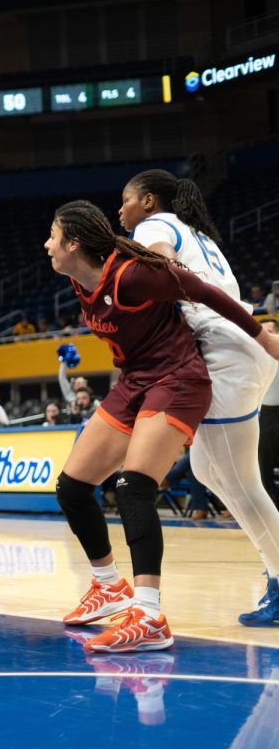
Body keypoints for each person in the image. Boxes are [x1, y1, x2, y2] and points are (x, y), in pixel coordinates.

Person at [44, 200, 279, 652]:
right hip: (135, 381)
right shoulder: (78, 278)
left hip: (178, 378)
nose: (47, 243)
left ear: (74, 243)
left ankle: (150, 616)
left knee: (133, 487)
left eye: (53, 235)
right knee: (73, 488)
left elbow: (204, 291)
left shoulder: (131, 276)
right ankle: (109, 585)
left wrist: (264, 336)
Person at [121, 169, 279, 627]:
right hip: (239, 350)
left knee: (242, 483)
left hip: (226, 353)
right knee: (209, 470)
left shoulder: (153, 228)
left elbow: (162, 265)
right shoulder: (191, 230)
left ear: (148, 201)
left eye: (126, 200)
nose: (121, 209)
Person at [261, 321, 279, 512]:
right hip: (263, 414)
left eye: (271, 331)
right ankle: (270, 513)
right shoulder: (254, 356)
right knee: (263, 467)